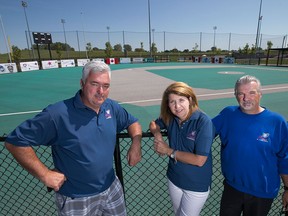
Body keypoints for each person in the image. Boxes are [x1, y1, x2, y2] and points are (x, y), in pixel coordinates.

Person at [5, 60, 142, 216]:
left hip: (111, 188)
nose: (101, 91)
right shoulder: (57, 114)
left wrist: (136, 144)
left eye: (106, 86)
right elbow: (15, 142)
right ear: (82, 83)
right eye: (94, 84)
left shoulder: (111, 107)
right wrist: (44, 174)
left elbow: (133, 122)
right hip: (76, 198)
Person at [212, 75, 288, 216]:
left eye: (252, 93)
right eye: (241, 93)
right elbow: (202, 130)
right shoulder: (228, 114)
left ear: (260, 94)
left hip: (262, 193)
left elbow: (285, 159)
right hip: (232, 188)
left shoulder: (277, 122)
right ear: (236, 95)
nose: (246, 98)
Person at [149, 82, 214, 216]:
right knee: (177, 213)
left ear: (190, 100)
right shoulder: (170, 118)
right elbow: (154, 124)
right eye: (172, 102)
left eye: (181, 100)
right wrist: (158, 136)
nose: (177, 106)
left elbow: (200, 160)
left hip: (196, 185)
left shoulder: (203, 121)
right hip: (174, 178)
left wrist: (167, 150)